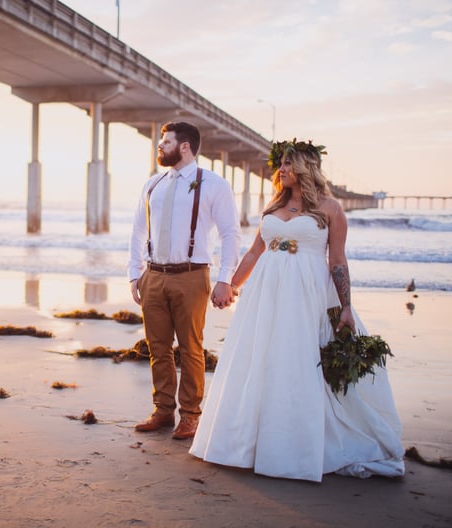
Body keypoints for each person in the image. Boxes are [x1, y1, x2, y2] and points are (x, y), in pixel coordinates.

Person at [189, 139, 405, 481]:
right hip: (266, 292)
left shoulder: (331, 208)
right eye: (281, 164)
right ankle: (248, 443)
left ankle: (296, 446)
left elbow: (337, 260)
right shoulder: (273, 206)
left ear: (306, 166)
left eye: (289, 164)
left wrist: (346, 306)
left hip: (307, 293)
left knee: (299, 359)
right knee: (261, 358)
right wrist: (231, 284)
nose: (282, 169)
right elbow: (253, 253)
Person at [127, 121, 241, 440]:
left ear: (185, 147)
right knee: (158, 346)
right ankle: (163, 410)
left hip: (192, 275)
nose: (160, 146)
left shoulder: (214, 184)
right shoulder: (153, 184)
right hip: (154, 274)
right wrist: (135, 274)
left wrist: (225, 280)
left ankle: (190, 414)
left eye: (166, 141)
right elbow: (137, 230)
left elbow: (231, 233)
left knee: (191, 347)